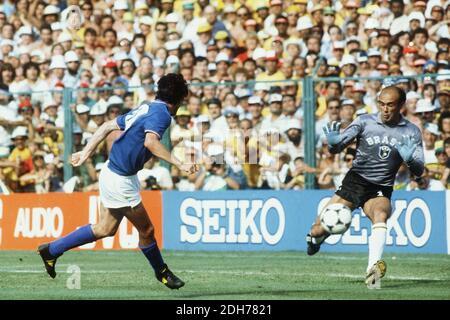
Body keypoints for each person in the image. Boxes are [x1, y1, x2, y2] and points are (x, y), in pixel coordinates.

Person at [37, 74, 197, 289]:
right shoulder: (163, 115)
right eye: (183, 100)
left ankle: (52, 250)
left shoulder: (146, 107)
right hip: (119, 180)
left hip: (115, 174)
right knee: (147, 231)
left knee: (105, 229)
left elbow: (105, 126)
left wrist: (86, 152)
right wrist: (180, 163)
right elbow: (151, 142)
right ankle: (162, 272)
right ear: (178, 99)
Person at [305, 86, 424, 289]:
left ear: (401, 105)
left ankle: (372, 273)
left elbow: (420, 170)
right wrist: (333, 144)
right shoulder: (364, 121)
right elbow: (338, 145)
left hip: (381, 186)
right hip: (355, 181)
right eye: (382, 104)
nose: (385, 109)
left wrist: (410, 161)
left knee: (381, 215)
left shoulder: (411, 131)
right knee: (317, 230)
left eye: (390, 105)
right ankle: (315, 240)